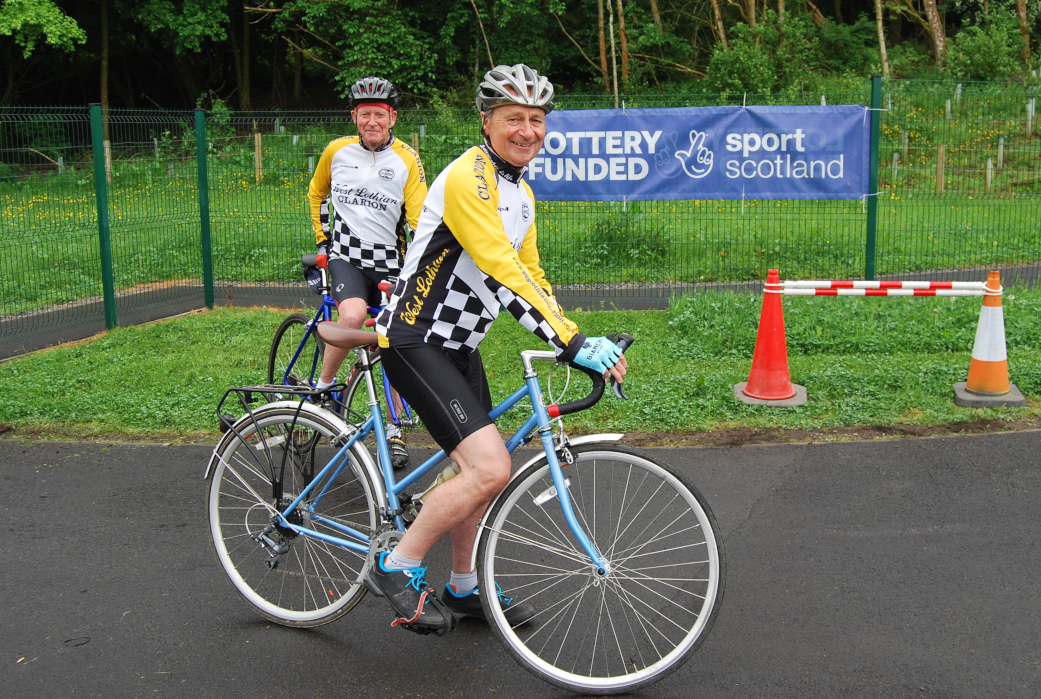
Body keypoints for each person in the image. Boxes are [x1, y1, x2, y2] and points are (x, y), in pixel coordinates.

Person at [365, 64, 628, 633]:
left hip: (460, 346)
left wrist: (570, 336)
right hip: (414, 338)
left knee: (483, 473)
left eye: (536, 120)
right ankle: (396, 564)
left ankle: (464, 587)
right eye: (514, 118)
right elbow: (502, 269)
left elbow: (531, 275)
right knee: (488, 467)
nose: (527, 130)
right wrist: (573, 342)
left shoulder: (522, 194)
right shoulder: (468, 177)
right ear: (487, 121)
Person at [308, 76, 427, 468]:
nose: (372, 121)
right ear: (354, 117)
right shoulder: (336, 151)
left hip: (389, 263)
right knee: (354, 316)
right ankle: (324, 389)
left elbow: (419, 220)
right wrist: (323, 239)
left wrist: (418, 265)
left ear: (392, 118)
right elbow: (317, 193)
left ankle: (393, 431)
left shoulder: (407, 158)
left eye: (379, 114)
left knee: (388, 338)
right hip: (347, 258)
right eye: (364, 114)